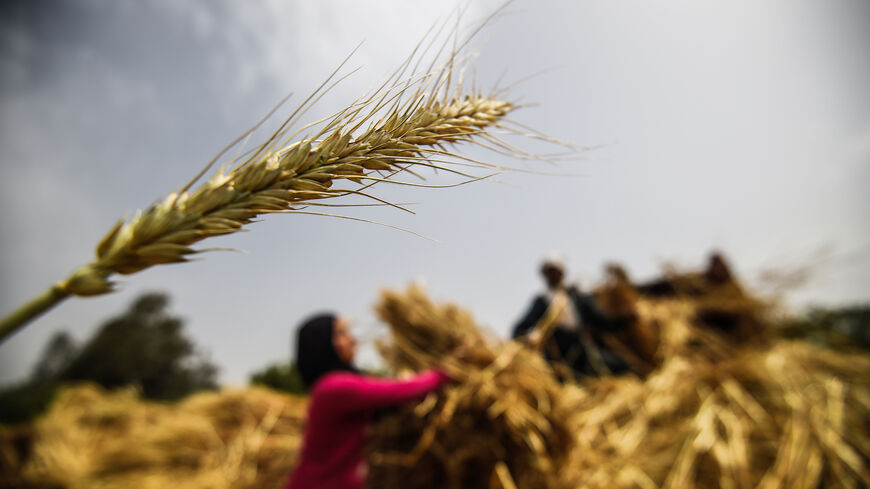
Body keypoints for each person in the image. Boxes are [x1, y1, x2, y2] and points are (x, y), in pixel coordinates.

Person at [283, 313, 449, 489]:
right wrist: (445, 372)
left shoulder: (331, 387)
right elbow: (401, 391)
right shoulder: (333, 387)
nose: (352, 340)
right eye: (342, 333)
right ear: (324, 344)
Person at [511, 255, 630, 378]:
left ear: (562, 273)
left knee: (621, 366)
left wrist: (623, 319)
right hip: (558, 359)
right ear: (544, 275)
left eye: (556, 271)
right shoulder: (542, 302)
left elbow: (602, 321)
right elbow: (518, 330)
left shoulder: (577, 297)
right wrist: (530, 336)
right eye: (549, 272)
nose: (553, 275)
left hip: (583, 352)